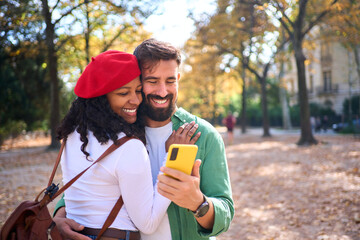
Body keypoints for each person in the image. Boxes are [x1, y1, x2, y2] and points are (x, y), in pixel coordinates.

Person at [54, 39, 234, 240]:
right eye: (152, 81)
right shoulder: (117, 131)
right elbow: (92, 180)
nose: (162, 91)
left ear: (179, 78)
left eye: (170, 80)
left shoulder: (203, 135)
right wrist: (61, 215)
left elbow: (225, 212)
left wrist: (198, 203)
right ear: (136, 79)